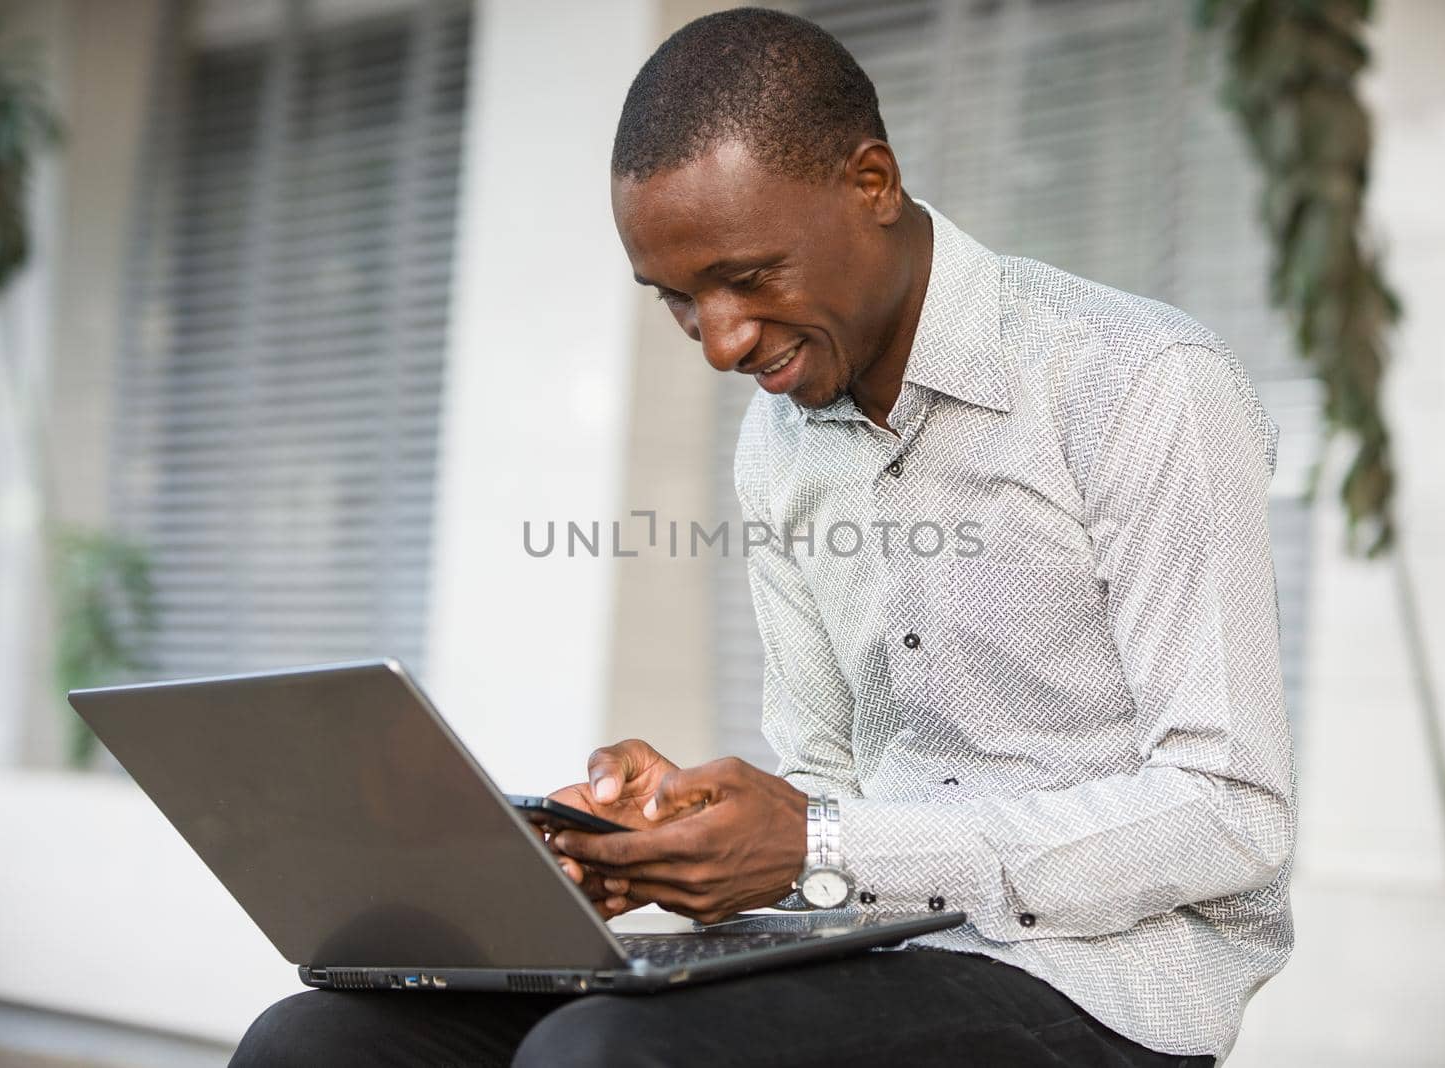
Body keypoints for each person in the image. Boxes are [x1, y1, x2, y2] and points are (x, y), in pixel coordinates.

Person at [232, 8, 1293, 1066]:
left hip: (1104, 976)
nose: (721, 341)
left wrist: (822, 847)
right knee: (321, 1040)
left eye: (747, 277)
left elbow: (1230, 814)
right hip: (863, 939)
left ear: (870, 183)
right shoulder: (779, 441)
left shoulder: (1138, 382)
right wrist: (679, 832)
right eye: (678, 301)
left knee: (604, 1054)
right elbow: (822, 777)